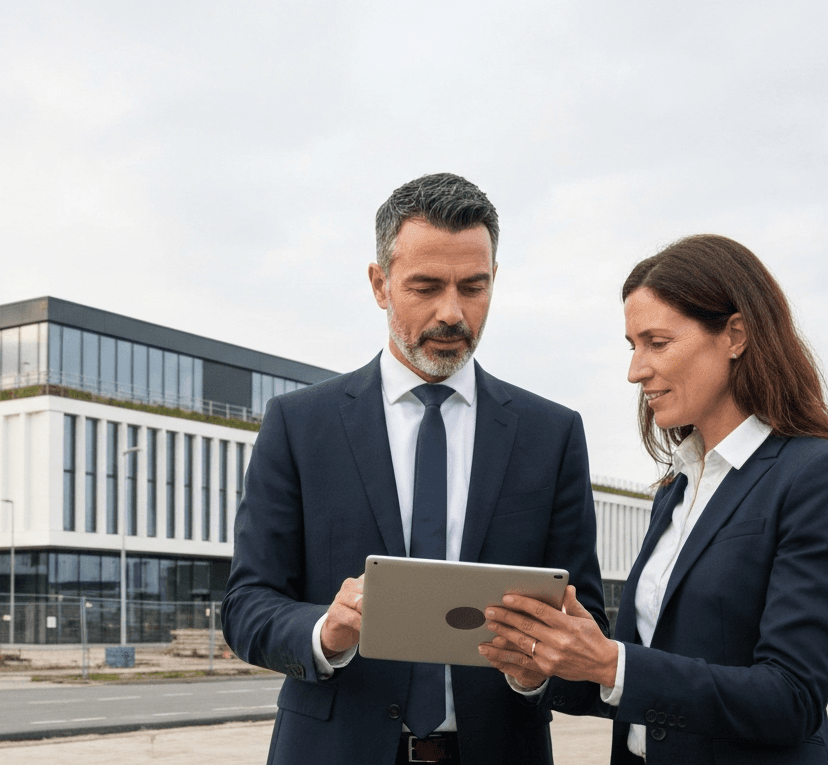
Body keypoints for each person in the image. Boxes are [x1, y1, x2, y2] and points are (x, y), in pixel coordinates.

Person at [222, 173, 607, 765]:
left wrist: (536, 671)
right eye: (426, 286)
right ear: (380, 284)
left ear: (494, 280)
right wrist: (326, 630)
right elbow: (247, 605)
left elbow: (587, 624)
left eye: (473, 287)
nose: (452, 312)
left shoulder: (550, 435)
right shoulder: (299, 426)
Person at [479, 234, 828, 764]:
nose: (635, 370)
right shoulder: (676, 490)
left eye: (657, 342)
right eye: (632, 346)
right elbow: (640, 688)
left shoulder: (821, 478)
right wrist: (544, 667)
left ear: (735, 335)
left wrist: (612, 663)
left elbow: (791, 699)